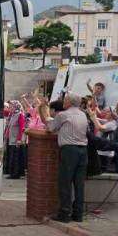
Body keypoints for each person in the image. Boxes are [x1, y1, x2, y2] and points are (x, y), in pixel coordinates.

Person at [42, 92, 89, 222]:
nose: (63, 101)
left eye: (65, 99)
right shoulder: (83, 115)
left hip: (69, 150)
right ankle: (78, 214)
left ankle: (64, 213)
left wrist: (45, 115)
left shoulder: (63, 115)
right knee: (79, 184)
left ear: (69, 102)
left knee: (65, 182)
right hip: (83, 150)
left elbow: (50, 128)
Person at [5, 101, 26, 179]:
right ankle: (13, 172)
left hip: (16, 140)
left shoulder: (20, 115)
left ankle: (15, 174)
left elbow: (21, 128)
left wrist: (19, 139)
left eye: (12, 107)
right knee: (12, 157)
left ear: (16, 107)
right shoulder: (12, 115)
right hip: (11, 139)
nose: (10, 108)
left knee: (16, 158)